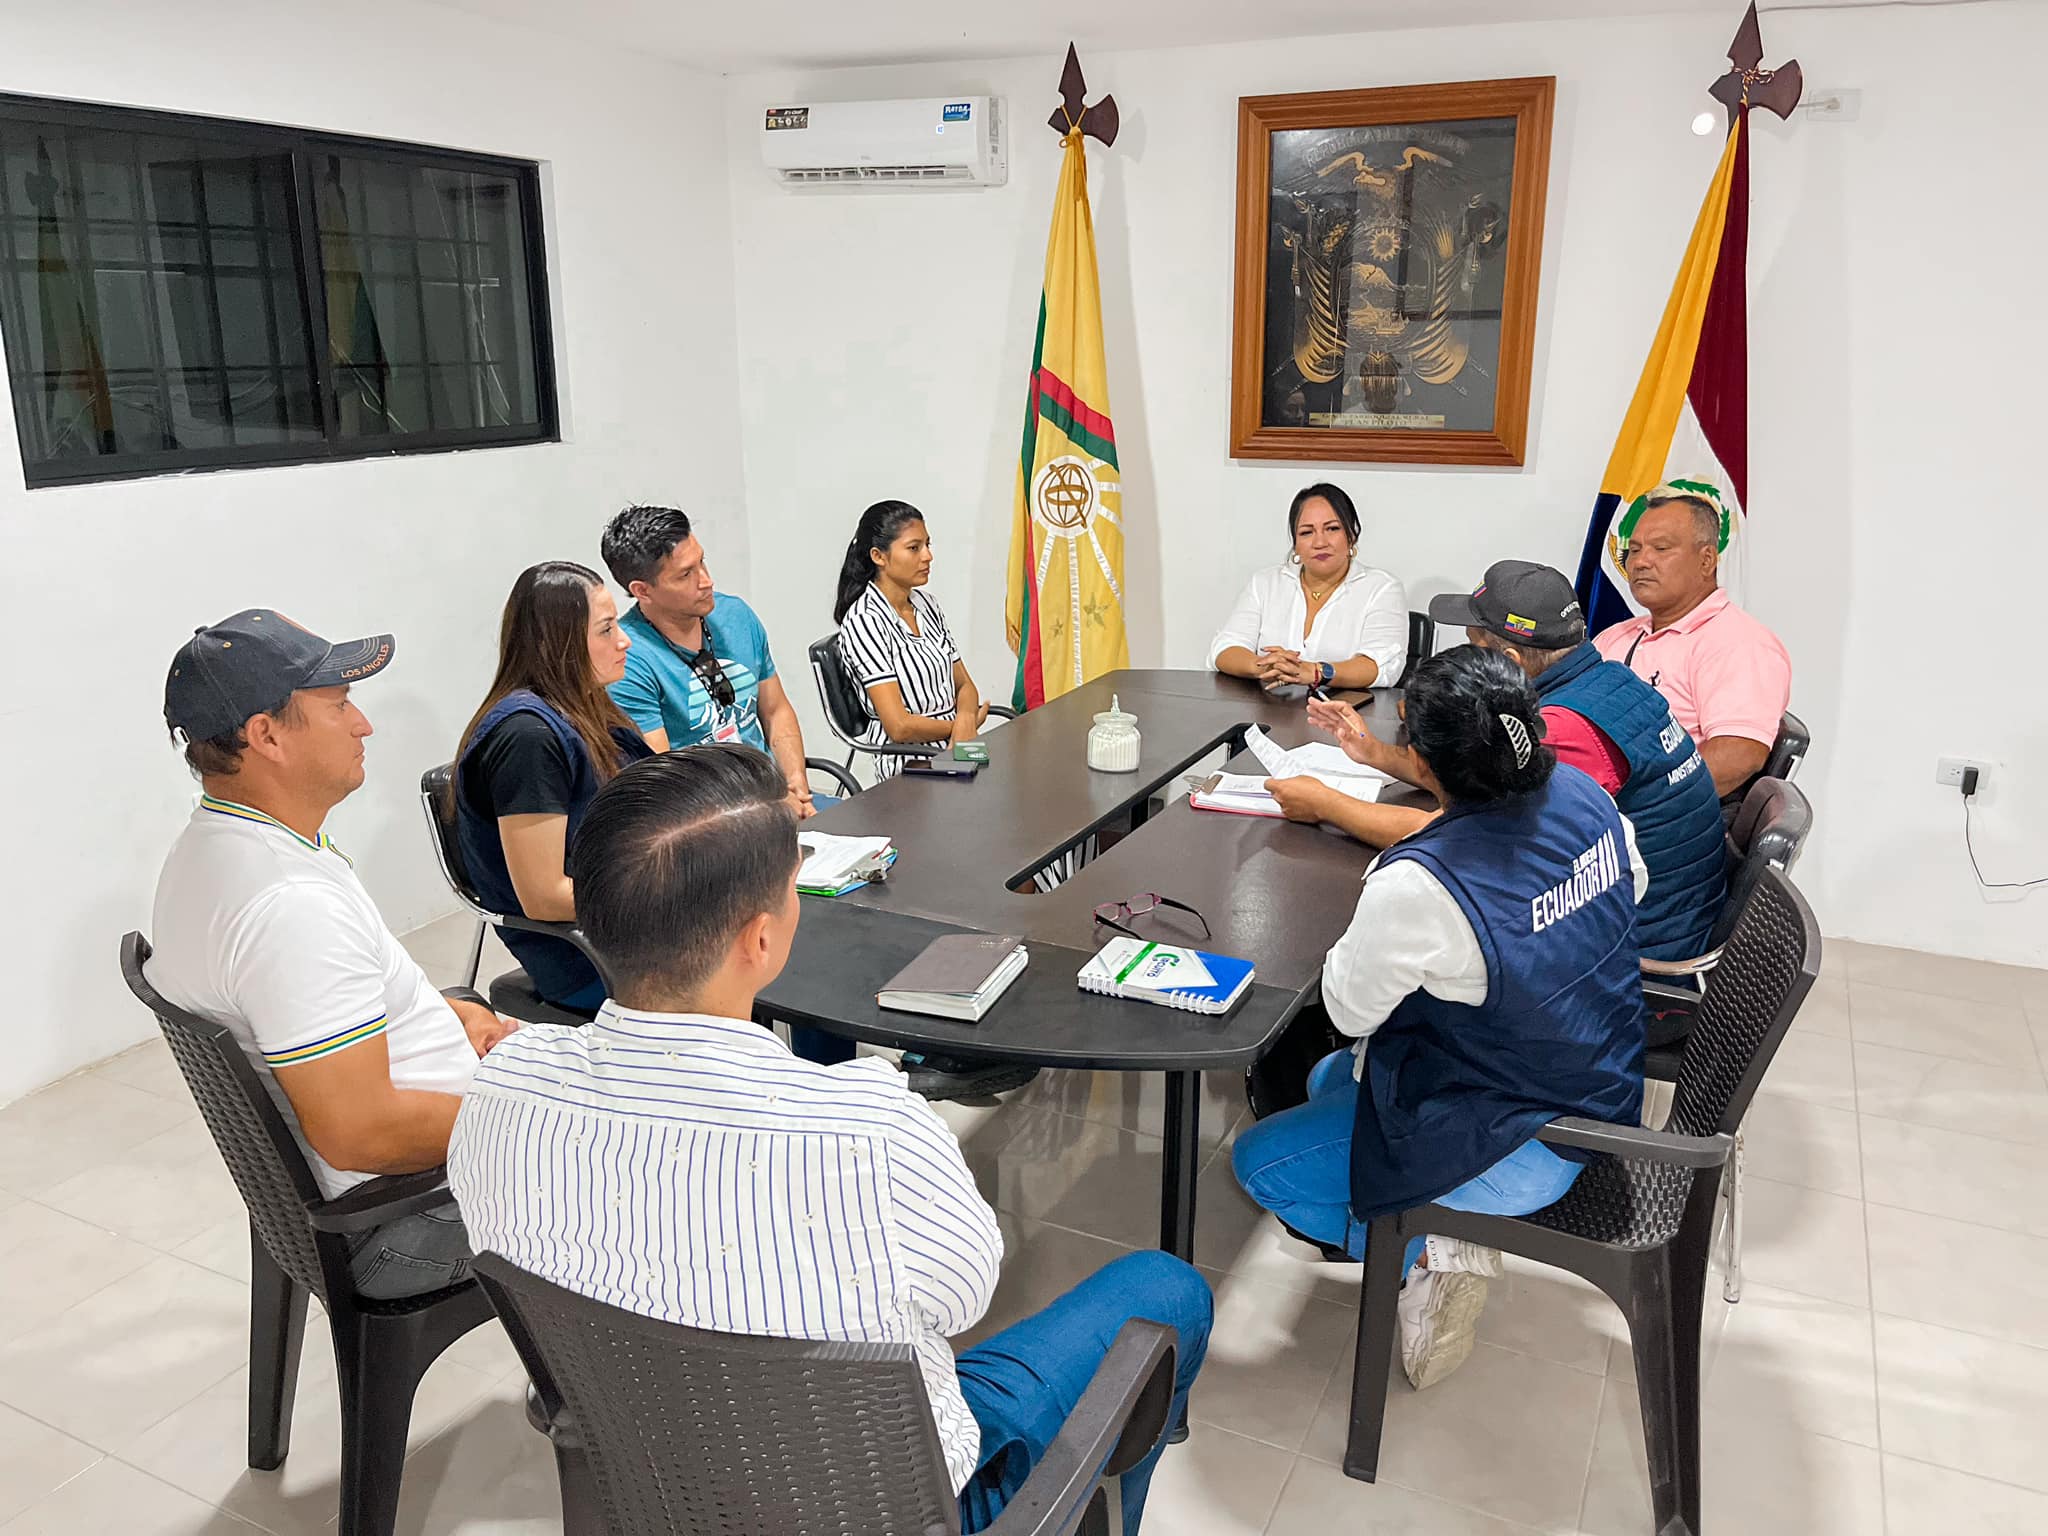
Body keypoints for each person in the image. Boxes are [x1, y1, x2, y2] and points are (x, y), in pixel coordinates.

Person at [446, 746, 1212, 1534]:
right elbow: (961, 1298)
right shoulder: (869, 1128)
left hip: (655, 1489)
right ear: (760, 940)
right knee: (1166, 1288)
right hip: (884, 1508)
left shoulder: (500, 1089)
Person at [1232, 647, 1647, 1390]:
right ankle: (1425, 1228)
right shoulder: (1587, 796)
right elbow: (1632, 885)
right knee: (1329, 1079)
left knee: (1261, 1164)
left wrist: (1388, 891)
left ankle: (1431, 1249)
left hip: (1520, 1137)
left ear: (1422, 763)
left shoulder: (1423, 883)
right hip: (1601, 1087)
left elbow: (1348, 1010)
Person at [148, 610, 513, 1298]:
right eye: (339, 704)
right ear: (266, 736)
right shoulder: (288, 906)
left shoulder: (215, 846)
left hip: (406, 1172)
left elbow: (318, 1010)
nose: (363, 724)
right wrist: (531, 1117)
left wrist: (446, 1018)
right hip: (409, 1216)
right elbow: (361, 1133)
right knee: (660, 1168)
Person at [1279, 560, 1724, 963]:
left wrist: (1324, 804)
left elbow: (1453, 838)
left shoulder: (1563, 731)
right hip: (1665, 916)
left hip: (1639, 953)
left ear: (1507, 660)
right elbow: (1477, 784)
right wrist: (1374, 752)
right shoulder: (1610, 679)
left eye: (1473, 645)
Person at [451, 562, 653, 1013]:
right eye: (606, 629)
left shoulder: (588, 707)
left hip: (634, 922)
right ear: (557, 642)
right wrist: (669, 892)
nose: (624, 641)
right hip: (591, 957)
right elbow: (544, 897)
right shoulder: (527, 738)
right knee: (781, 968)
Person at [598, 503, 824, 818]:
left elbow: (775, 711)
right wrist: (763, 807)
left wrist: (796, 783)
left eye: (702, 562)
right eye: (685, 574)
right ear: (643, 591)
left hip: (773, 799)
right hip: (707, 820)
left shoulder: (736, 615)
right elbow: (662, 781)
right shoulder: (628, 660)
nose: (706, 581)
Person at [1592, 488, 1792, 807]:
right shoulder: (1615, 637)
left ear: (1706, 560)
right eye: (1634, 549)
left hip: (1656, 822)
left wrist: (1636, 804)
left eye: (1661, 548)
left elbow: (1739, 754)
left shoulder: (1739, 643)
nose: (1640, 562)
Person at [833, 499, 990, 781]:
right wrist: (961, 726)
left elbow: (965, 685)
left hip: (958, 745)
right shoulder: (865, 620)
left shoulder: (927, 605)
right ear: (878, 556)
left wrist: (966, 719)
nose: (928, 556)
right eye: (914, 548)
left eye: (928, 545)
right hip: (909, 761)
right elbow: (899, 727)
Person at [1209, 483, 1407, 692]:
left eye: (1332, 528)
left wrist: (1316, 672)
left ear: (1352, 535)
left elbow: (1381, 666)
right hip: (1271, 707)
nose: (1320, 542)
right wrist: (1265, 666)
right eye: (1306, 532)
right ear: (1295, 544)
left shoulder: (1382, 588)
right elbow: (1224, 649)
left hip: (1345, 709)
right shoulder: (1265, 583)